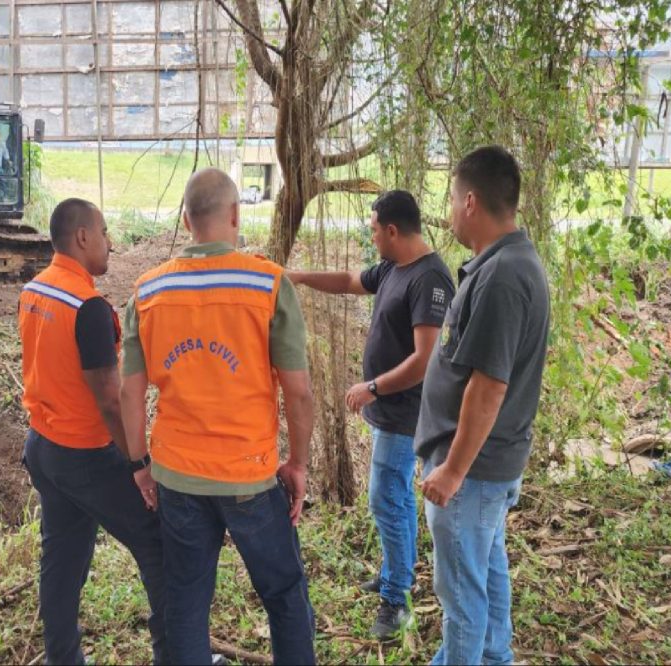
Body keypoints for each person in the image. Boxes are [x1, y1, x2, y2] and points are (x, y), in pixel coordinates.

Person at [120, 168, 317, 665]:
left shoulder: (147, 291)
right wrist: (297, 463)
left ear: (187, 221)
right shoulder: (267, 283)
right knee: (284, 594)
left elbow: (129, 392)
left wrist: (140, 465)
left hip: (177, 476)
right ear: (235, 214)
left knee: (186, 604)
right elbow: (298, 392)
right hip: (248, 475)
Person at [287, 190, 454, 640]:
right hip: (388, 409)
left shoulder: (430, 279)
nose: (372, 236)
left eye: (375, 229)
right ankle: (399, 571)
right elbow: (347, 280)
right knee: (395, 495)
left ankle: (397, 601)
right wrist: (296, 277)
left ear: (393, 231)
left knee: (385, 497)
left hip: (405, 412)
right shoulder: (394, 267)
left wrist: (373, 387)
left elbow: (425, 360)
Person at [18, 198, 168, 665]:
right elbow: (109, 399)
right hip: (85, 454)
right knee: (158, 542)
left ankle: (61, 657)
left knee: (61, 558)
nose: (110, 242)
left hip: (43, 447)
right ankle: (179, 652)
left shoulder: (34, 290)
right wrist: (139, 464)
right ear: (83, 237)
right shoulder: (89, 307)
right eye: (104, 233)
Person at [415, 146, 550, 665]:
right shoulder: (505, 264)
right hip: (485, 468)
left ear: (470, 202)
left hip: (472, 472)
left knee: (462, 599)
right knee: (487, 570)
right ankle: (494, 657)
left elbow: (489, 386)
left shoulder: (503, 276)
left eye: (452, 199)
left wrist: (452, 470)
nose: (450, 211)